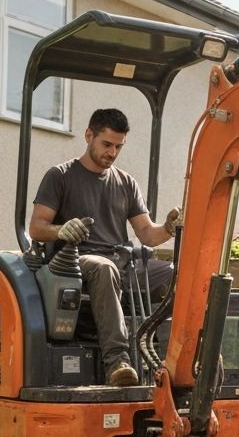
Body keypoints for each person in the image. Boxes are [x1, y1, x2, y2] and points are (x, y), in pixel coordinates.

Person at [29, 107, 180, 387]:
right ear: (89, 135)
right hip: (75, 264)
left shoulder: (126, 183)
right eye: (106, 144)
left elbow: (147, 234)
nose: (112, 153)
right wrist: (61, 229)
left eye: (118, 147)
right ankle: (118, 361)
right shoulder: (60, 176)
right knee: (104, 266)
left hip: (120, 265)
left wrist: (169, 228)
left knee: (174, 273)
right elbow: (36, 227)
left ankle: (176, 361)